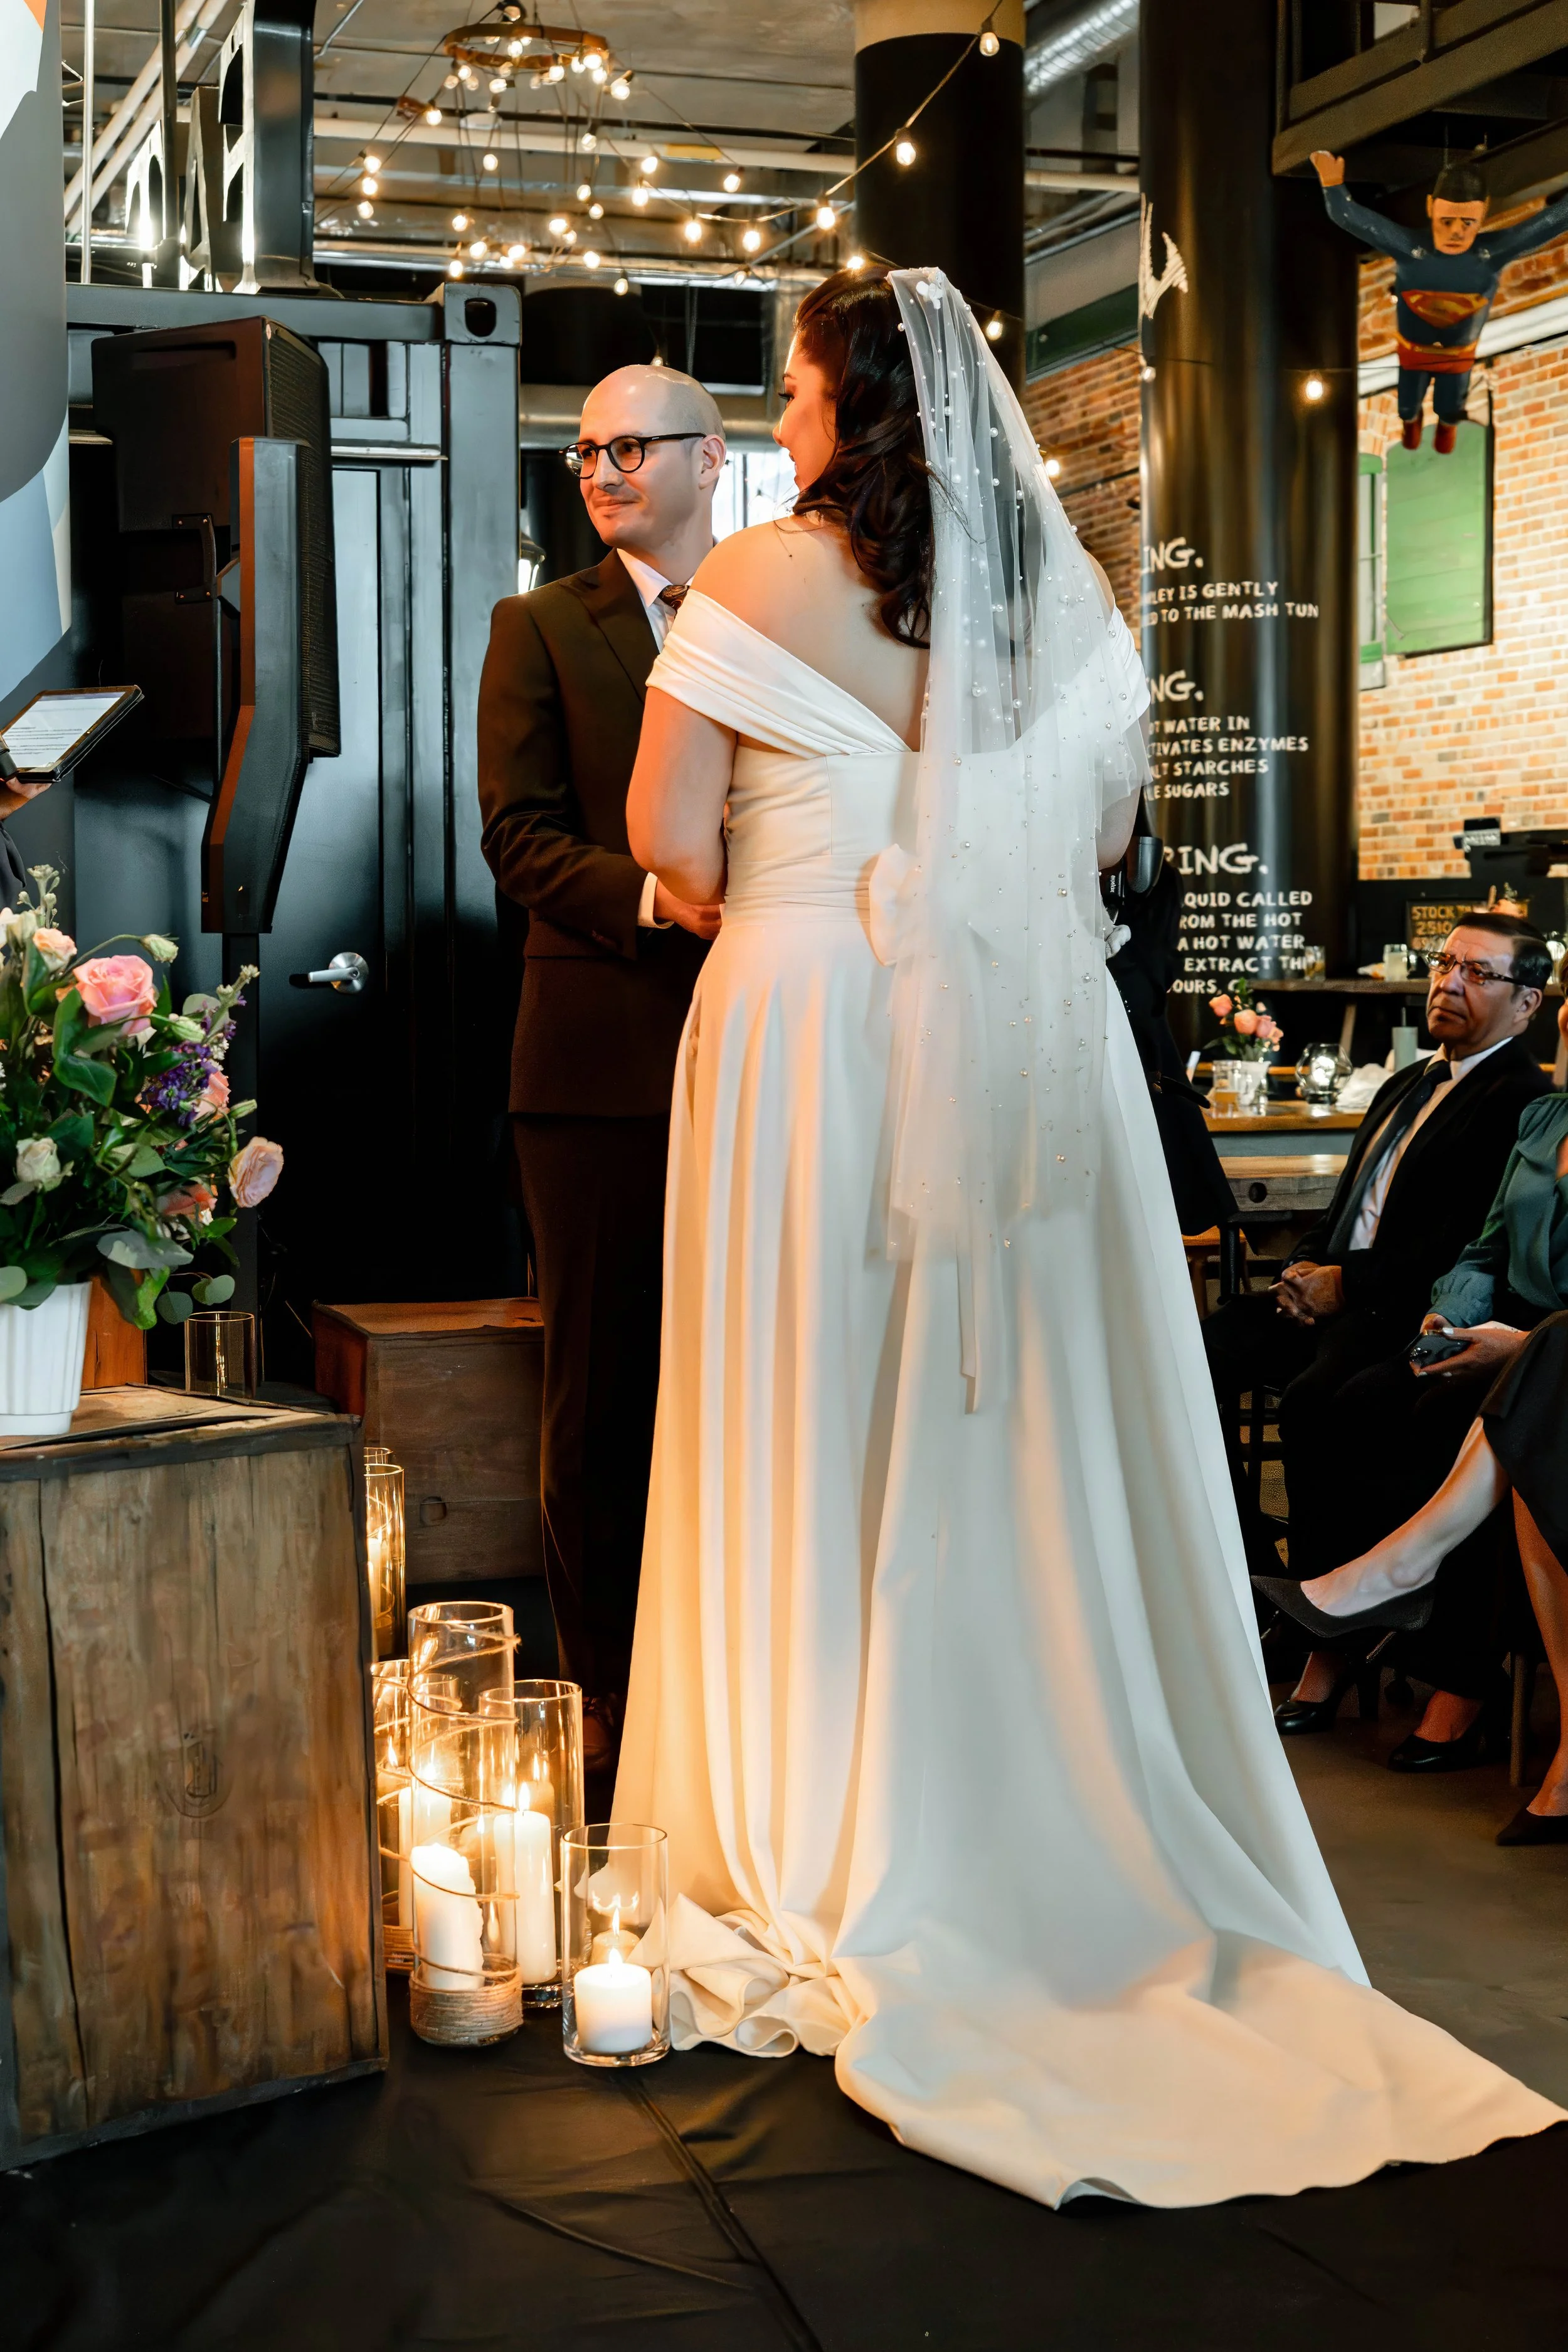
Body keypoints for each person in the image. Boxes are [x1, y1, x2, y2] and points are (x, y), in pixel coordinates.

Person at [611, 264, 1557, 2207]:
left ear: (842, 405)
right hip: (999, 1062)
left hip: (800, 1028)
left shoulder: (748, 585)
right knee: (978, 1417)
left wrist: (793, 866)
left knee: (796, 1412)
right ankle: (1014, 1804)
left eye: (788, 390)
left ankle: (800, 1810)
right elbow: (1105, 848)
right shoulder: (1065, 609)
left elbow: (674, 841)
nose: (776, 425)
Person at [477, 364, 725, 1770]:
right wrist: (656, 900)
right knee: (603, 1397)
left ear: (708, 457)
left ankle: (725, 1695)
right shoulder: (541, 627)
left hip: (765, 1049)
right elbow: (515, 838)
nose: (601, 467)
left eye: (630, 445)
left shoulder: (774, 612)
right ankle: (608, 1714)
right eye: (582, 449)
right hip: (595, 1069)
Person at [1203, 913, 1550, 1621]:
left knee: (1313, 1402)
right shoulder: (1406, 1083)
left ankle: (1319, 1612)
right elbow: (1345, 1209)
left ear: (1527, 1004)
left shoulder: (1519, 1100)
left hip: (1395, 1309)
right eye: (1444, 963)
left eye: (1477, 972)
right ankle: (1248, 1574)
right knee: (1188, 1359)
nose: (1449, 983)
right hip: (1327, 1294)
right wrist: (1302, 1269)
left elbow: (1458, 1245)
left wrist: (1346, 1286)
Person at [1259, 1007, 1568, 1783]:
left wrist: (1522, 1347)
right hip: (1502, 1330)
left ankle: (1459, 1680)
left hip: (1550, 1350)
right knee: (1366, 1402)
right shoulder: (1544, 1117)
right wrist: (1447, 1317)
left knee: (1447, 1421)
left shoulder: (1512, 1091)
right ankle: (1344, 1633)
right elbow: (1485, 1245)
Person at [1311, 151, 1568, 453]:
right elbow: (1354, 220)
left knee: (1449, 408)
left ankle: (1445, 425)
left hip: (1456, 357)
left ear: (1483, 213)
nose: (1456, 232)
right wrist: (1332, 186)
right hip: (1414, 352)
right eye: (1446, 221)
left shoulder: (1491, 253)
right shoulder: (1411, 248)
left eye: (1467, 223)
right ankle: (1411, 421)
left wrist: (1335, 190)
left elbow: (1547, 224)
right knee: (1407, 407)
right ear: (1431, 208)